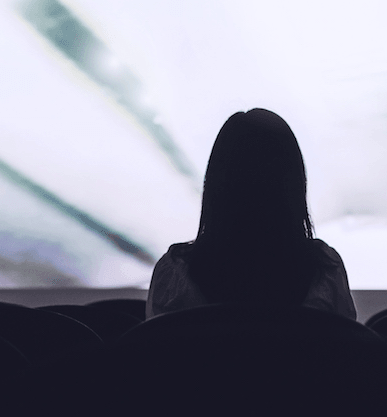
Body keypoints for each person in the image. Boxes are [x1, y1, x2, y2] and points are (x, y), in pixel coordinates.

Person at [146, 108, 356, 320]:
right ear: (294, 185)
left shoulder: (173, 275)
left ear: (216, 184)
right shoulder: (327, 270)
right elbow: (349, 348)